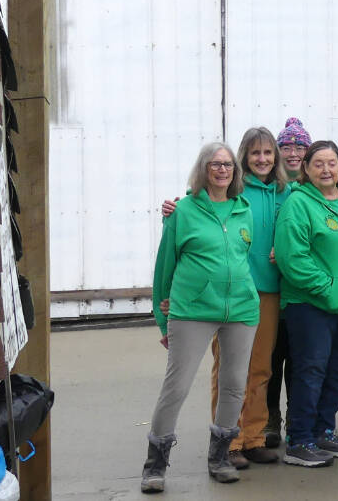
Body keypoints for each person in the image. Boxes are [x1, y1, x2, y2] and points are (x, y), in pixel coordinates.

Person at [141, 143, 258, 492]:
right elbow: (165, 267)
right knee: (176, 386)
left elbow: (242, 255)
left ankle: (220, 457)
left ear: (235, 172)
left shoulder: (243, 210)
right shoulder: (183, 211)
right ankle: (155, 465)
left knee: (235, 384)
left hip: (241, 310)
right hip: (192, 310)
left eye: (228, 165)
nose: (222, 170)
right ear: (203, 170)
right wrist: (163, 318)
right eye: (215, 164)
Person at [273, 140, 338, 467]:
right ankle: (299, 439)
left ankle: (324, 431)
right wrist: (328, 288)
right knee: (311, 369)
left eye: (332, 163)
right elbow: (293, 257)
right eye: (318, 164)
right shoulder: (298, 203)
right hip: (310, 305)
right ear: (305, 169)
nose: (326, 170)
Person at [210, 128, 290, 469]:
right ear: (245, 156)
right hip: (234, 292)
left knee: (260, 369)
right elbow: (197, 207)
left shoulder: (287, 192)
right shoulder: (231, 190)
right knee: (229, 369)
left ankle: (254, 437)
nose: (262, 159)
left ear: (276, 157)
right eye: (255, 153)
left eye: (268, 153)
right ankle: (228, 440)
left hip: (270, 291)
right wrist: (173, 208)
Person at [265, 116, 313, 448]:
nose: (293, 153)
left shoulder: (318, 190)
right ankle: (269, 421)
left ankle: (300, 421)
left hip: (302, 295)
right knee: (269, 362)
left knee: (301, 366)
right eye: (286, 146)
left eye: (299, 147)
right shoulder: (268, 188)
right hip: (270, 291)